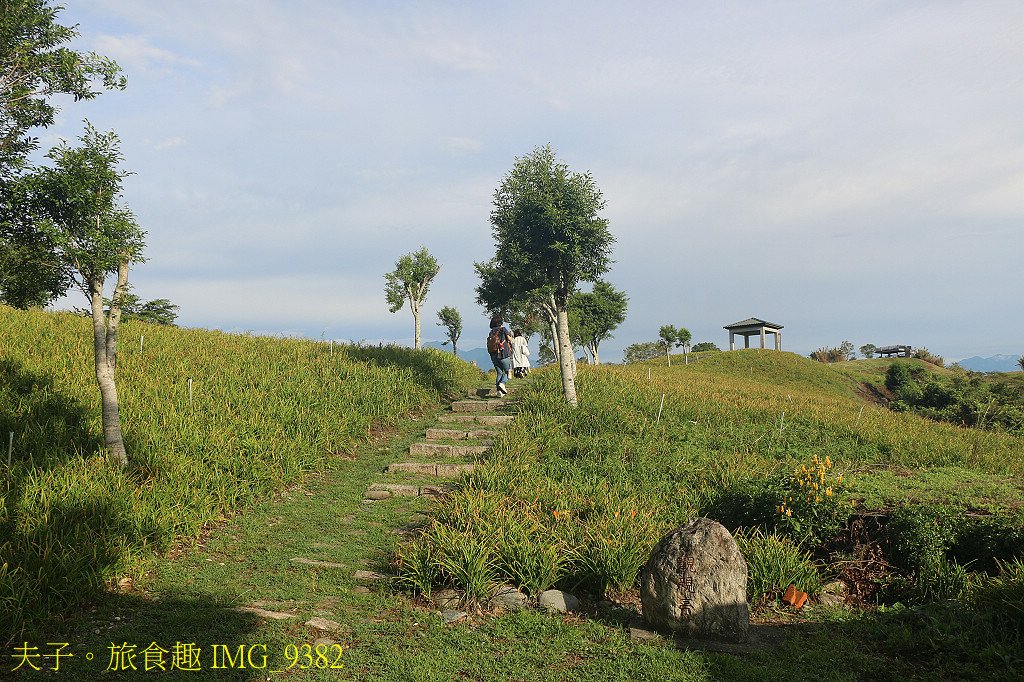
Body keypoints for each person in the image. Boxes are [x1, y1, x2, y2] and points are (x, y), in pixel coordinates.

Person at [486, 314, 513, 396]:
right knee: (508, 371)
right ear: (500, 322)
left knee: (499, 373)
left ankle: (499, 391)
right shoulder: (503, 329)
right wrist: (511, 336)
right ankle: (503, 383)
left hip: (493, 354)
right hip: (503, 353)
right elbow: (509, 339)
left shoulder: (491, 332)